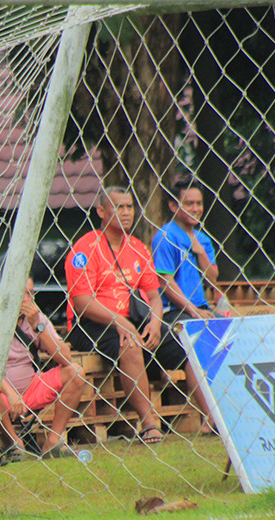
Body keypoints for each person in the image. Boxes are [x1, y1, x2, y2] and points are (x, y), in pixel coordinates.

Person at [65, 186, 211, 445]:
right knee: (130, 344)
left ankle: (211, 418)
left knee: (188, 342)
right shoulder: (84, 247)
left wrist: (156, 324)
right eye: (118, 207)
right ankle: (149, 422)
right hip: (90, 324)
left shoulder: (137, 247)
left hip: (133, 320)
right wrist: (120, 322)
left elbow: (154, 297)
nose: (125, 213)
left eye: (129, 207)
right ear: (101, 211)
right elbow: (81, 302)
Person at [0, 277, 86, 459]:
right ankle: (14, 442)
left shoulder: (37, 319)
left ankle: (53, 441)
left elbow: (65, 358)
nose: (27, 298)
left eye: (31, 293)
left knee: (75, 372)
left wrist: (37, 327)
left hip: (31, 388)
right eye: (23, 292)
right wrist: (10, 393)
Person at [151, 180, 219, 322]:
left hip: (201, 307)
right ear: (173, 206)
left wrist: (200, 252)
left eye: (199, 203)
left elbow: (212, 279)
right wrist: (192, 310)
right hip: (174, 310)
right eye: (189, 204)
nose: (195, 209)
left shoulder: (203, 239)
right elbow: (165, 282)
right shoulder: (166, 237)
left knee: (230, 332)